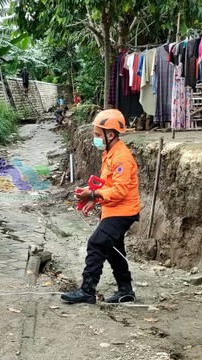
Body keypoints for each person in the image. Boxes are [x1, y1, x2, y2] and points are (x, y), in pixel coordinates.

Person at [61, 109, 141, 304]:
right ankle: (125, 290)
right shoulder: (110, 153)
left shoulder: (121, 157)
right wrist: (93, 198)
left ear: (110, 134)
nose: (95, 139)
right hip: (114, 209)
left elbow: (120, 191)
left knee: (96, 243)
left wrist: (94, 194)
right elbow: (108, 184)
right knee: (113, 249)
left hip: (123, 212)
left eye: (98, 135)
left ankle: (87, 291)